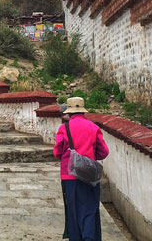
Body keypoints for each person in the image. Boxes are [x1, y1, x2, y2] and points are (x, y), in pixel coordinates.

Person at [53, 97, 109, 241]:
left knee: (73, 211)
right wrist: (89, 157)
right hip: (89, 176)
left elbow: (57, 152)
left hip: (69, 176)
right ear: (83, 110)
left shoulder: (63, 128)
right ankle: (89, 237)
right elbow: (103, 152)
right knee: (90, 209)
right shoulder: (93, 127)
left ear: (69, 112)